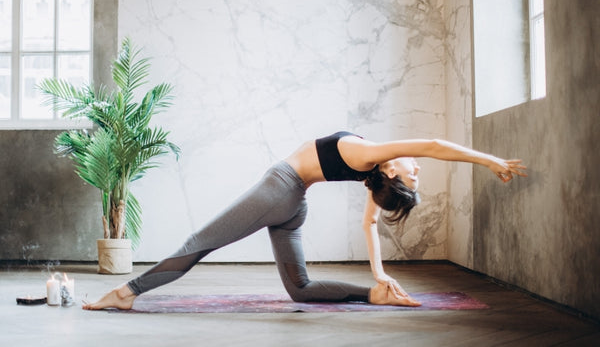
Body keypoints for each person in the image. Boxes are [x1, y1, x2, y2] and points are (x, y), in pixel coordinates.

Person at [82, 131, 526, 310]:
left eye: (413, 172)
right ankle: (375, 297)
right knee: (301, 289)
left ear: (392, 171)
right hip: (293, 203)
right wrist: (379, 275)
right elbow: (370, 224)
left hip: (281, 189)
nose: (418, 166)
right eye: (416, 172)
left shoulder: (375, 161)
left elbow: (430, 144)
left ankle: (126, 292)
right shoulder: (373, 168)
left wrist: (487, 160)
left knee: (201, 242)